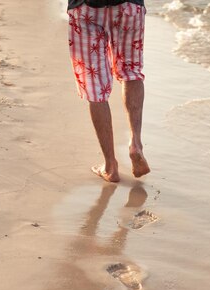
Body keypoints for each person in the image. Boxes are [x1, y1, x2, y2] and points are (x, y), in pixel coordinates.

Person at [67, 0, 150, 183]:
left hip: (85, 7)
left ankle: (110, 166)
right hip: (129, 6)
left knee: (94, 86)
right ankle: (135, 143)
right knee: (131, 71)